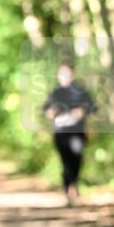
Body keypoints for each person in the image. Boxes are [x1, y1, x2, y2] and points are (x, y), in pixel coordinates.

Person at [43, 62, 96, 205]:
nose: (64, 76)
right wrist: (52, 112)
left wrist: (82, 111)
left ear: (72, 74)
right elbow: (46, 111)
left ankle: (73, 184)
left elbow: (93, 107)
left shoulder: (81, 92)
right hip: (61, 133)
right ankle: (68, 189)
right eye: (61, 73)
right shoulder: (55, 93)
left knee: (76, 160)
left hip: (77, 132)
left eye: (67, 73)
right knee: (65, 162)